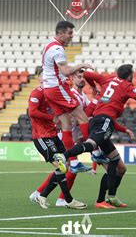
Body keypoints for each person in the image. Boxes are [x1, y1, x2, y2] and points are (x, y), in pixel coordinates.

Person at [63, 64, 136, 208]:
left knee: (120, 167)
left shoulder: (108, 79)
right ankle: (64, 156)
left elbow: (87, 74)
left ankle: (110, 197)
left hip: (101, 120)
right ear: (130, 76)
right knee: (91, 145)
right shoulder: (127, 86)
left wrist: (94, 87)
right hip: (104, 120)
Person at [28, 72, 86, 210]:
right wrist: (52, 118)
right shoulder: (37, 93)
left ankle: (41, 195)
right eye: (45, 77)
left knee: (64, 165)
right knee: (61, 166)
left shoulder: (52, 93)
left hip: (53, 134)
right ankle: (68, 199)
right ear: (40, 79)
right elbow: (32, 112)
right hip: (42, 137)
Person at [42, 21, 93, 173]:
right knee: (82, 118)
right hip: (57, 88)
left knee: (66, 124)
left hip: (49, 89)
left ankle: (74, 162)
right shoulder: (57, 49)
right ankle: (95, 152)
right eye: (70, 33)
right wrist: (82, 64)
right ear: (61, 33)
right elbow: (65, 71)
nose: (71, 36)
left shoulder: (50, 45)